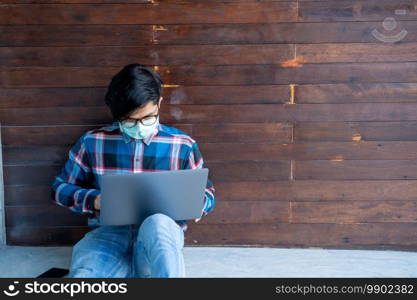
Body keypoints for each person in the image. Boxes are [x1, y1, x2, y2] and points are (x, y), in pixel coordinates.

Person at [50, 64, 216, 278]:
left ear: (159, 104)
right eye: (129, 120)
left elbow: (207, 192)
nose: (139, 126)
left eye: (147, 118)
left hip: (158, 241)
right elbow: (59, 189)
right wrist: (95, 200)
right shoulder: (93, 142)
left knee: (157, 223)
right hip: (108, 235)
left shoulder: (182, 145)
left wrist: (198, 204)